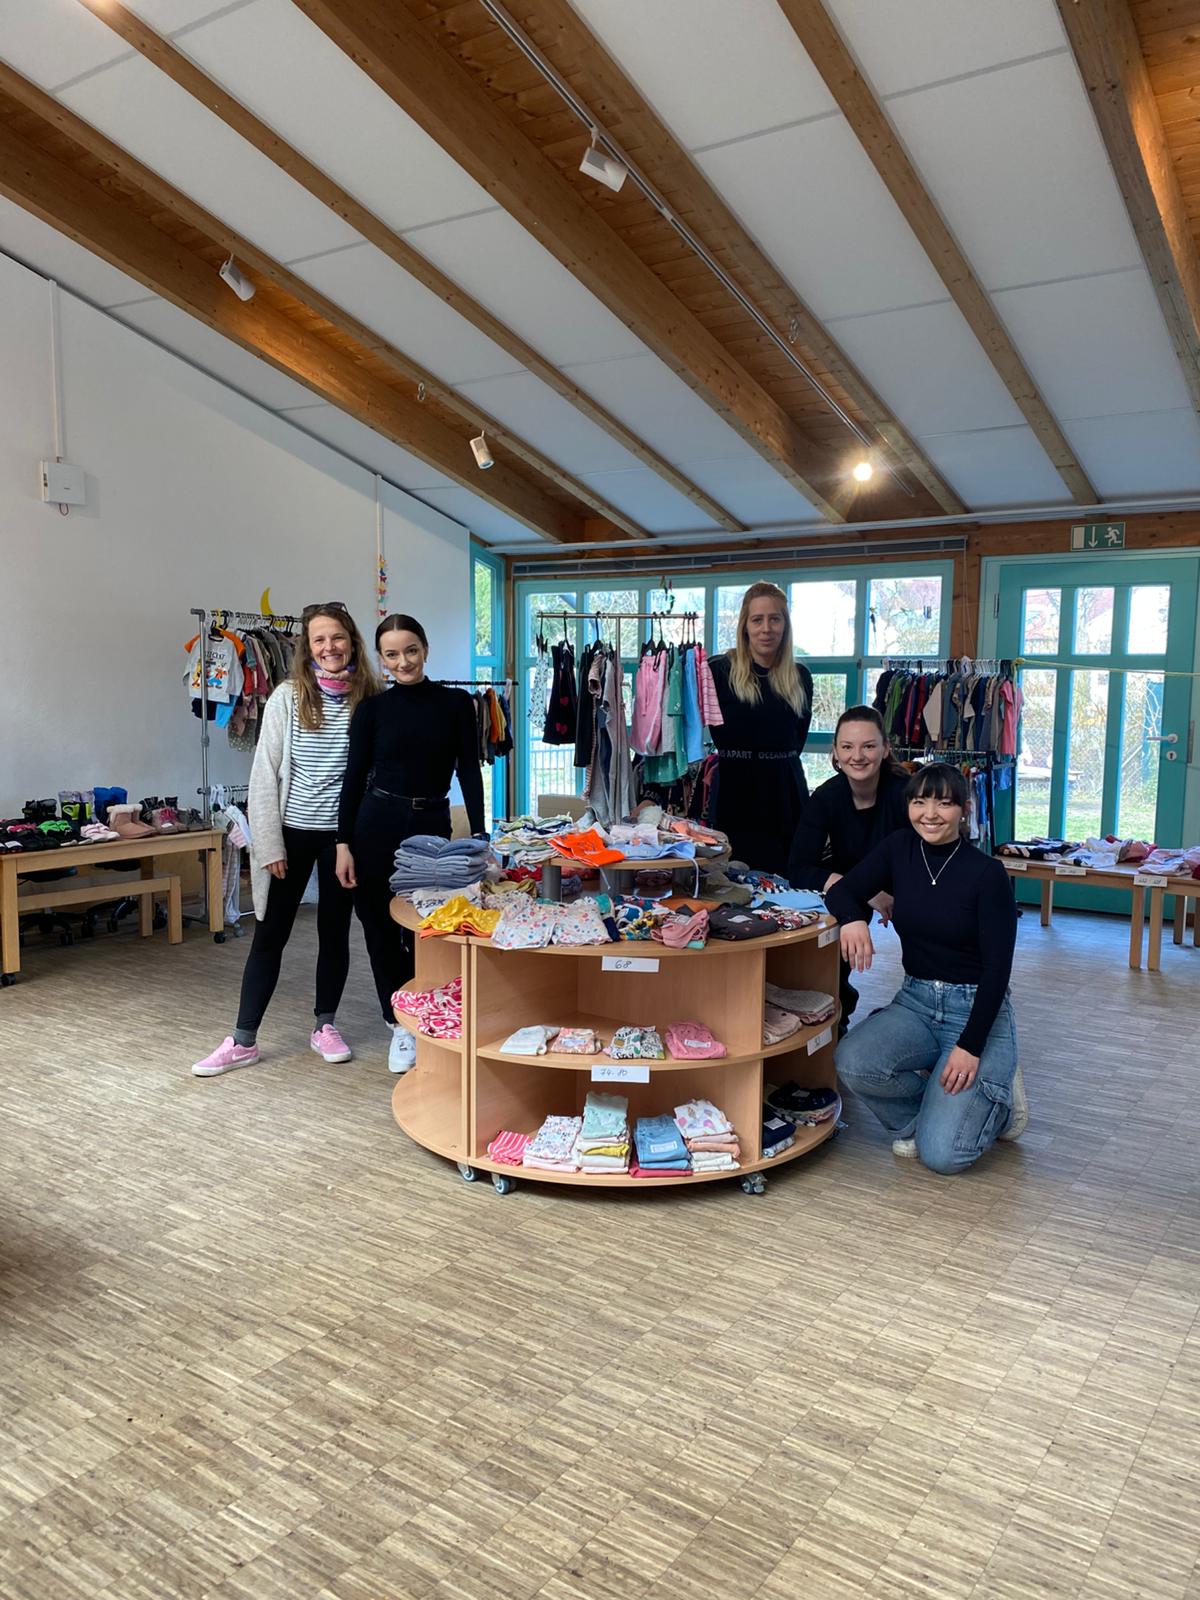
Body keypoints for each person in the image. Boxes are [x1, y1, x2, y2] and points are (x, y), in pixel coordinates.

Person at [192, 602, 378, 1077]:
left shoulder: (370, 697)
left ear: (352, 640)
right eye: (319, 639)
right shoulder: (287, 696)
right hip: (291, 833)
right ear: (307, 647)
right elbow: (264, 774)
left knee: (334, 932)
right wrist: (268, 844)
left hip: (343, 839)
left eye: (337, 637)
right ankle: (243, 1038)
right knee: (270, 934)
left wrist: (359, 839)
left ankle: (325, 1025)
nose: (329, 647)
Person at [826, 763, 1029, 1173]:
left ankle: (1003, 1107)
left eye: (944, 803)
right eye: (919, 802)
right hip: (916, 1000)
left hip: (975, 1010)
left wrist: (970, 1047)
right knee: (852, 1060)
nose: (930, 813)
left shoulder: (988, 874)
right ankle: (933, 1112)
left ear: (964, 810)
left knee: (944, 1157)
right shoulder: (899, 848)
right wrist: (851, 919)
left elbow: (997, 971)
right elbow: (843, 891)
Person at [336, 614, 486, 1073]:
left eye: (411, 650)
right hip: (375, 821)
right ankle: (399, 1022)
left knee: (423, 924)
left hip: (430, 822)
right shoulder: (372, 710)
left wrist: (480, 835)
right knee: (378, 925)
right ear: (381, 660)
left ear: (425, 648)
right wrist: (343, 843)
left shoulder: (457, 703)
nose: (404, 662)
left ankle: (426, 1011)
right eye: (392, 654)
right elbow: (353, 778)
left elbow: (469, 772)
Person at [787, 705, 910, 1030]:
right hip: (851, 890)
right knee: (835, 931)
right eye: (847, 747)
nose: (858, 756)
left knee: (930, 935)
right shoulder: (827, 797)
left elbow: (927, 863)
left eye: (868, 746)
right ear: (836, 753)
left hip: (906, 886)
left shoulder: (906, 795)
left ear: (885, 749)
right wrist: (863, 893)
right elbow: (798, 868)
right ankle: (836, 1023)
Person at [708, 581, 813, 875]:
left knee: (788, 881)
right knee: (733, 884)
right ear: (745, 626)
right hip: (735, 791)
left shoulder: (800, 676)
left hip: (786, 794)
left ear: (785, 625)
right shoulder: (718, 672)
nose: (766, 628)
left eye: (774, 619)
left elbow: (798, 739)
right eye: (757, 619)